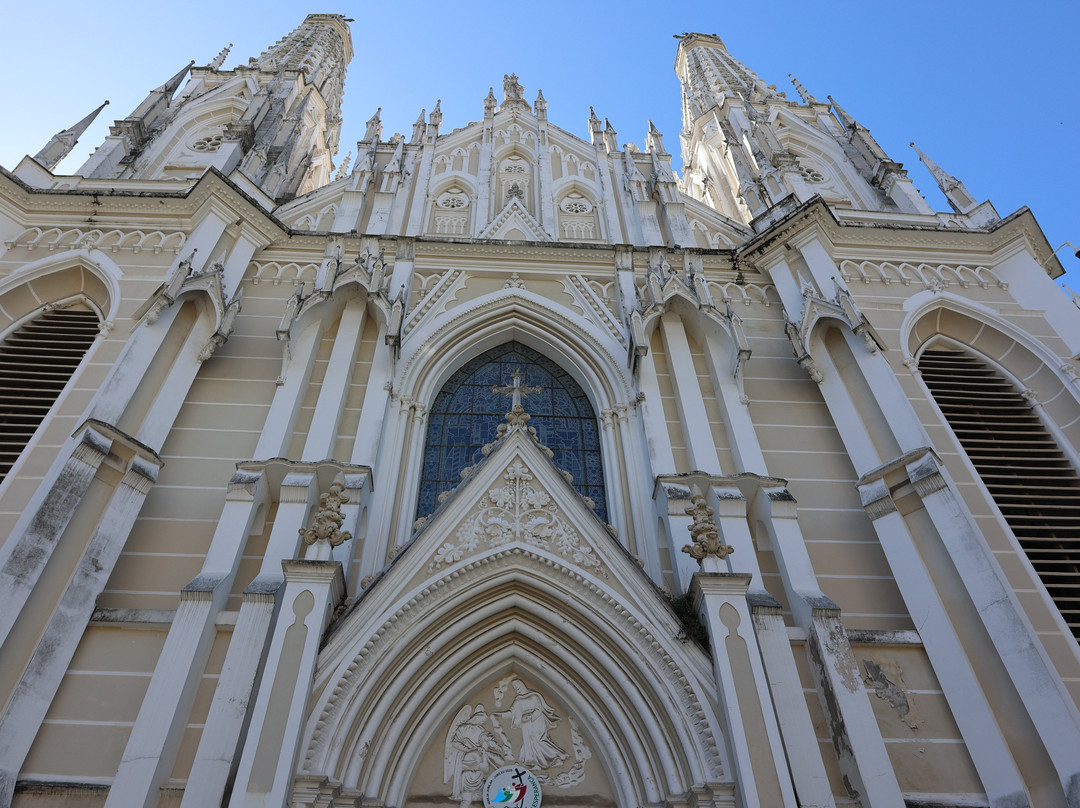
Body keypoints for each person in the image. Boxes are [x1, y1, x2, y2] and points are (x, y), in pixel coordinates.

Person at [494, 680, 568, 769]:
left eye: (518, 685)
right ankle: (535, 763)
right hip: (526, 723)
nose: (516, 688)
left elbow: (538, 708)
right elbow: (511, 712)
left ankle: (557, 757)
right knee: (529, 743)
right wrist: (499, 715)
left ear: (522, 685)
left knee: (539, 739)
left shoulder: (533, 696)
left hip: (536, 720)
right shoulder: (518, 700)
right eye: (514, 687)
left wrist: (532, 715)